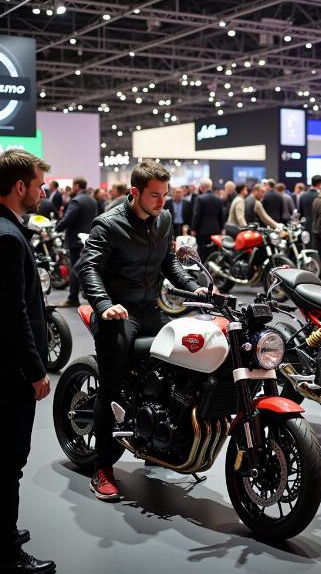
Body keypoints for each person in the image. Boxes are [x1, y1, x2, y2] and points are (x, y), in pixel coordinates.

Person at [78, 160, 206, 502]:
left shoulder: (162, 220)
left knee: (182, 360)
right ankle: (102, 468)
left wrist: (194, 288)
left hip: (152, 309)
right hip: (119, 313)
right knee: (112, 386)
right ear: (134, 192)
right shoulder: (108, 225)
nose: (162, 202)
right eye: (155, 195)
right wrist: (105, 305)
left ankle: (162, 440)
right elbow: (87, 268)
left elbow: (169, 263)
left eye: (166, 195)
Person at [0, 149, 56, 574]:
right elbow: (14, 312)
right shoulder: (8, 235)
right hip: (10, 372)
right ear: (20, 187)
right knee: (9, 461)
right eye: (38, 185)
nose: (42, 191)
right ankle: (6, 551)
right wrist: (36, 370)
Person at [55, 177, 98, 308]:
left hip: (76, 239)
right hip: (89, 237)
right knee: (86, 267)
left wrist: (57, 227)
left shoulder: (76, 201)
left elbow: (67, 219)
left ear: (77, 186)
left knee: (75, 268)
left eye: (73, 186)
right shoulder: (92, 200)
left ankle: (73, 298)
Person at [191, 178, 225, 260]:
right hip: (216, 230)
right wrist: (222, 228)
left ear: (202, 187)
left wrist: (193, 229)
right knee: (213, 252)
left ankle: (203, 271)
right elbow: (221, 216)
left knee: (202, 252)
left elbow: (197, 215)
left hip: (202, 231)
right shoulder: (219, 199)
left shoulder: (200, 198)